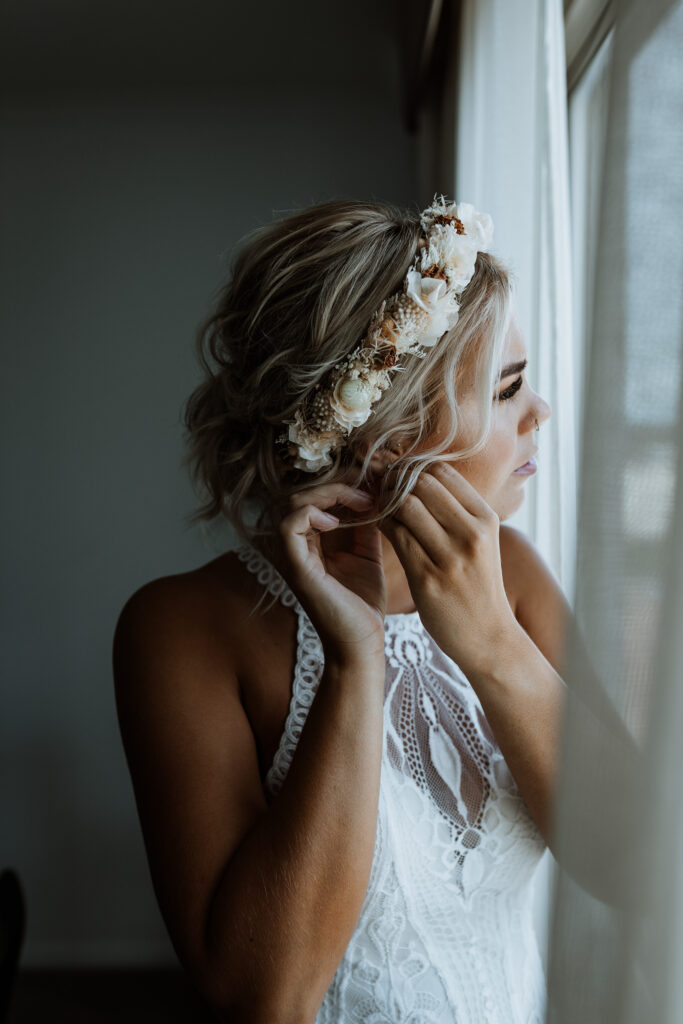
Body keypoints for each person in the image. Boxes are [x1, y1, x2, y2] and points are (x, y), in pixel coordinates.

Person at [114, 195, 570, 1024]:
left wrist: (494, 643)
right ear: (387, 434)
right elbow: (266, 996)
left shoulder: (518, 577)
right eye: (506, 390)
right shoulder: (181, 630)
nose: (540, 413)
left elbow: (631, 865)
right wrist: (353, 662)